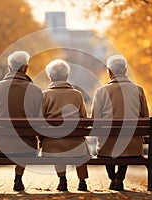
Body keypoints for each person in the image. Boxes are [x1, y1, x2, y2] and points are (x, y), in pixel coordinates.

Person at [0, 51, 42, 191]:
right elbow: (40, 122)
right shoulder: (35, 90)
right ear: (26, 68)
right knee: (25, 142)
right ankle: (18, 178)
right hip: (25, 149)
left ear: (9, 68)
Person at [91, 55, 149, 190]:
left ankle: (113, 177)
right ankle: (119, 177)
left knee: (109, 145)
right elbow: (146, 117)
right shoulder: (138, 90)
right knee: (126, 143)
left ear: (109, 71)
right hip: (133, 147)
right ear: (125, 70)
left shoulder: (100, 92)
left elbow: (94, 121)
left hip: (107, 147)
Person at [41, 59, 89, 191]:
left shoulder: (45, 95)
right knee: (80, 146)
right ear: (67, 75)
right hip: (76, 144)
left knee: (57, 145)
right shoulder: (77, 94)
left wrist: (42, 139)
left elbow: (39, 121)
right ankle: (82, 181)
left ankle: (62, 180)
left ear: (50, 77)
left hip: (53, 144)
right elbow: (84, 119)